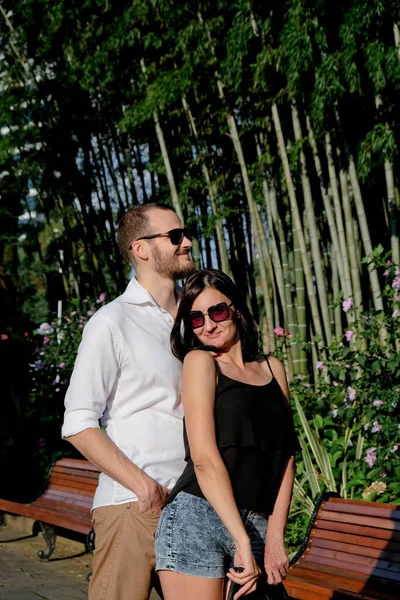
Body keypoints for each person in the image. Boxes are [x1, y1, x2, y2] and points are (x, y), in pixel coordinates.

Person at [61, 203, 196, 600]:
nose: (186, 242)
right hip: (135, 507)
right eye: (174, 236)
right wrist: (144, 487)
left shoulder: (199, 319)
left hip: (195, 506)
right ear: (141, 249)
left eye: (185, 233)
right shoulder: (111, 322)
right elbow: (78, 422)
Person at [155, 269, 299, 600]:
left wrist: (276, 537)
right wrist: (241, 540)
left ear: (235, 309)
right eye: (195, 318)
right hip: (197, 518)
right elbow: (204, 458)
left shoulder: (272, 368)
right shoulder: (200, 362)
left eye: (217, 311)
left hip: (255, 522)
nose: (209, 324)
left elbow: (285, 456)